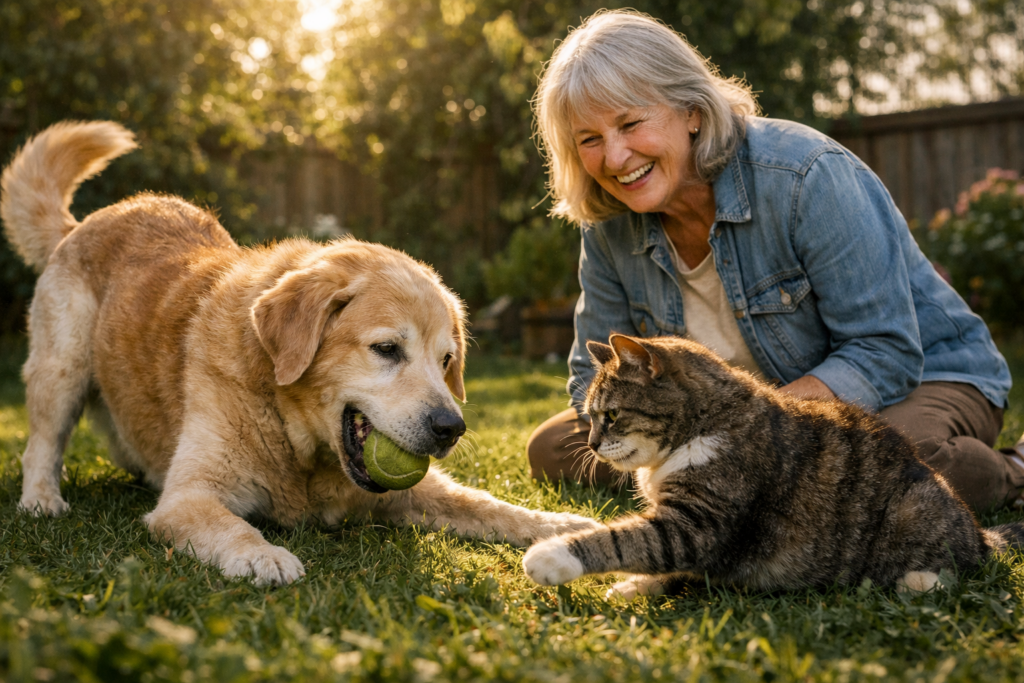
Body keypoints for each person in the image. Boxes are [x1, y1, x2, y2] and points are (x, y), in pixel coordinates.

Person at [524, 9, 1024, 512]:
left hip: (926, 375)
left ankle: (1013, 471)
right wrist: (694, 440)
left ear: (692, 111)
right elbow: (592, 378)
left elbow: (885, 351)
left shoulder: (807, 176)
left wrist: (746, 436)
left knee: (897, 468)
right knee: (552, 450)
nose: (614, 159)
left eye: (630, 123)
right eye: (589, 139)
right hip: (729, 421)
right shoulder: (609, 224)